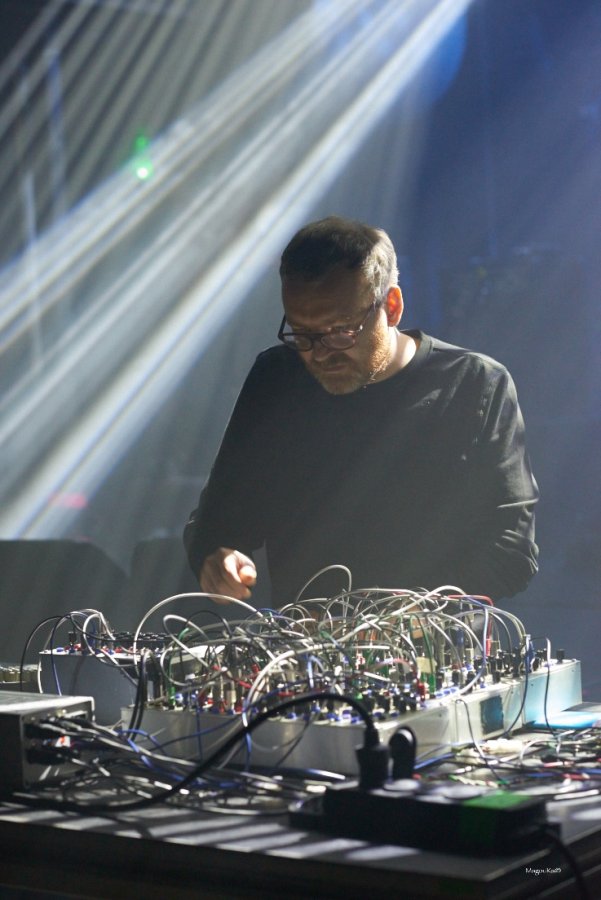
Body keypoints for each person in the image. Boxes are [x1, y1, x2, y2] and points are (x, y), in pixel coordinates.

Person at [184, 216, 539, 606]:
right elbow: (219, 519)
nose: (319, 354)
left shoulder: (474, 383)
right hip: (309, 642)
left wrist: (403, 618)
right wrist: (219, 557)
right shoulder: (277, 378)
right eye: (301, 333)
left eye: (341, 331)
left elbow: (512, 549)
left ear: (392, 306)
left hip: (430, 639)